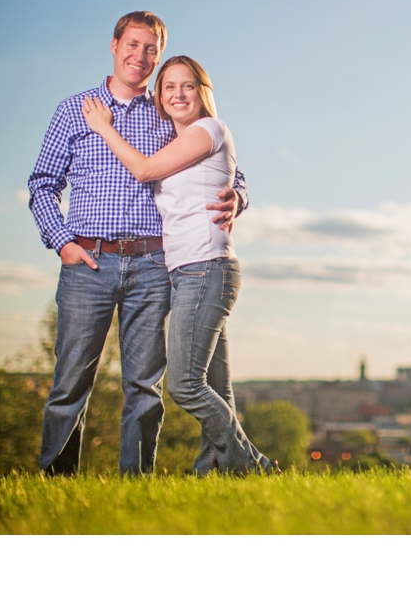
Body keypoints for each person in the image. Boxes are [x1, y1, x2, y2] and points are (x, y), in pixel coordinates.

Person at [28, 11, 244, 476]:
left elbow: (226, 164)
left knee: (144, 386)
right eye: (133, 45)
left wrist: (239, 196)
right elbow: (43, 183)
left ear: (159, 56)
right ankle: (56, 482)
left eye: (151, 49)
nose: (141, 57)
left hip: (153, 264)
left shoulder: (168, 110)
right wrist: (62, 241)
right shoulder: (76, 110)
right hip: (88, 260)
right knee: (70, 383)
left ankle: (136, 484)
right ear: (114, 45)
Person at [81, 55, 277, 476]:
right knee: (217, 386)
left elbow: (145, 170)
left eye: (187, 85)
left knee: (185, 386)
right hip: (190, 271)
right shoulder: (179, 140)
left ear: (202, 91)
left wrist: (104, 127)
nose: (178, 94)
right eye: (169, 87)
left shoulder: (208, 129)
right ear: (159, 96)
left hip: (205, 268)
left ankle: (253, 465)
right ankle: (215, 474)